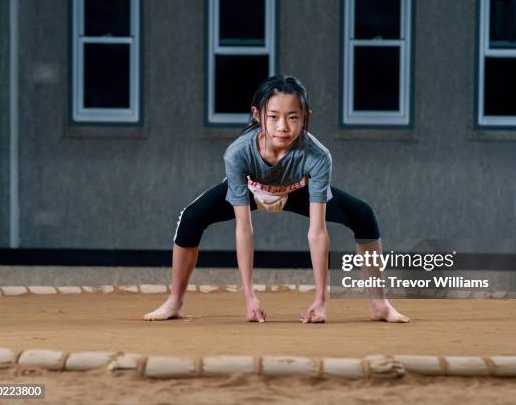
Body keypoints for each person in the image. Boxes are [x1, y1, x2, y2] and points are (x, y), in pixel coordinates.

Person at [144, 75, 409, 324]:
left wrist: (321, 301)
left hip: (296, 190)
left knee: (363, 215)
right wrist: (249, 297)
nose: (282, 127)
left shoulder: (317, 156)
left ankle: (379, 304)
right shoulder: (238, 153)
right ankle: (175, 302)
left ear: (305, 118)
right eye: (273, 117)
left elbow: (317, 232)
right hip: (251, 188)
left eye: (293, 117)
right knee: (190, 217)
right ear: (257, 116)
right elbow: (244, 228)